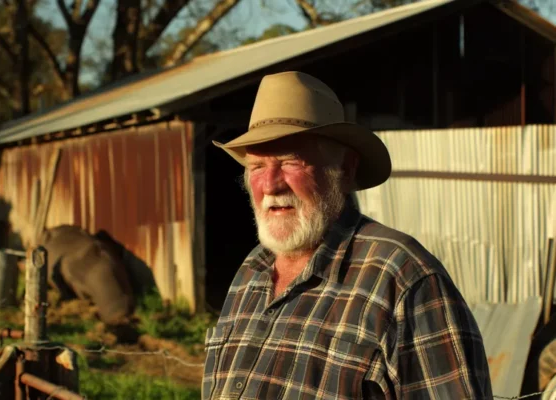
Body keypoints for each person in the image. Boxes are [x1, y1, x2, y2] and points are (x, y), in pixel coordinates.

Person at [203, 71, 492, 399]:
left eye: (290, 162)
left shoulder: (402, 278)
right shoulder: (251, 272)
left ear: (345, 168)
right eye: (256, 167)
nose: (270, 184)